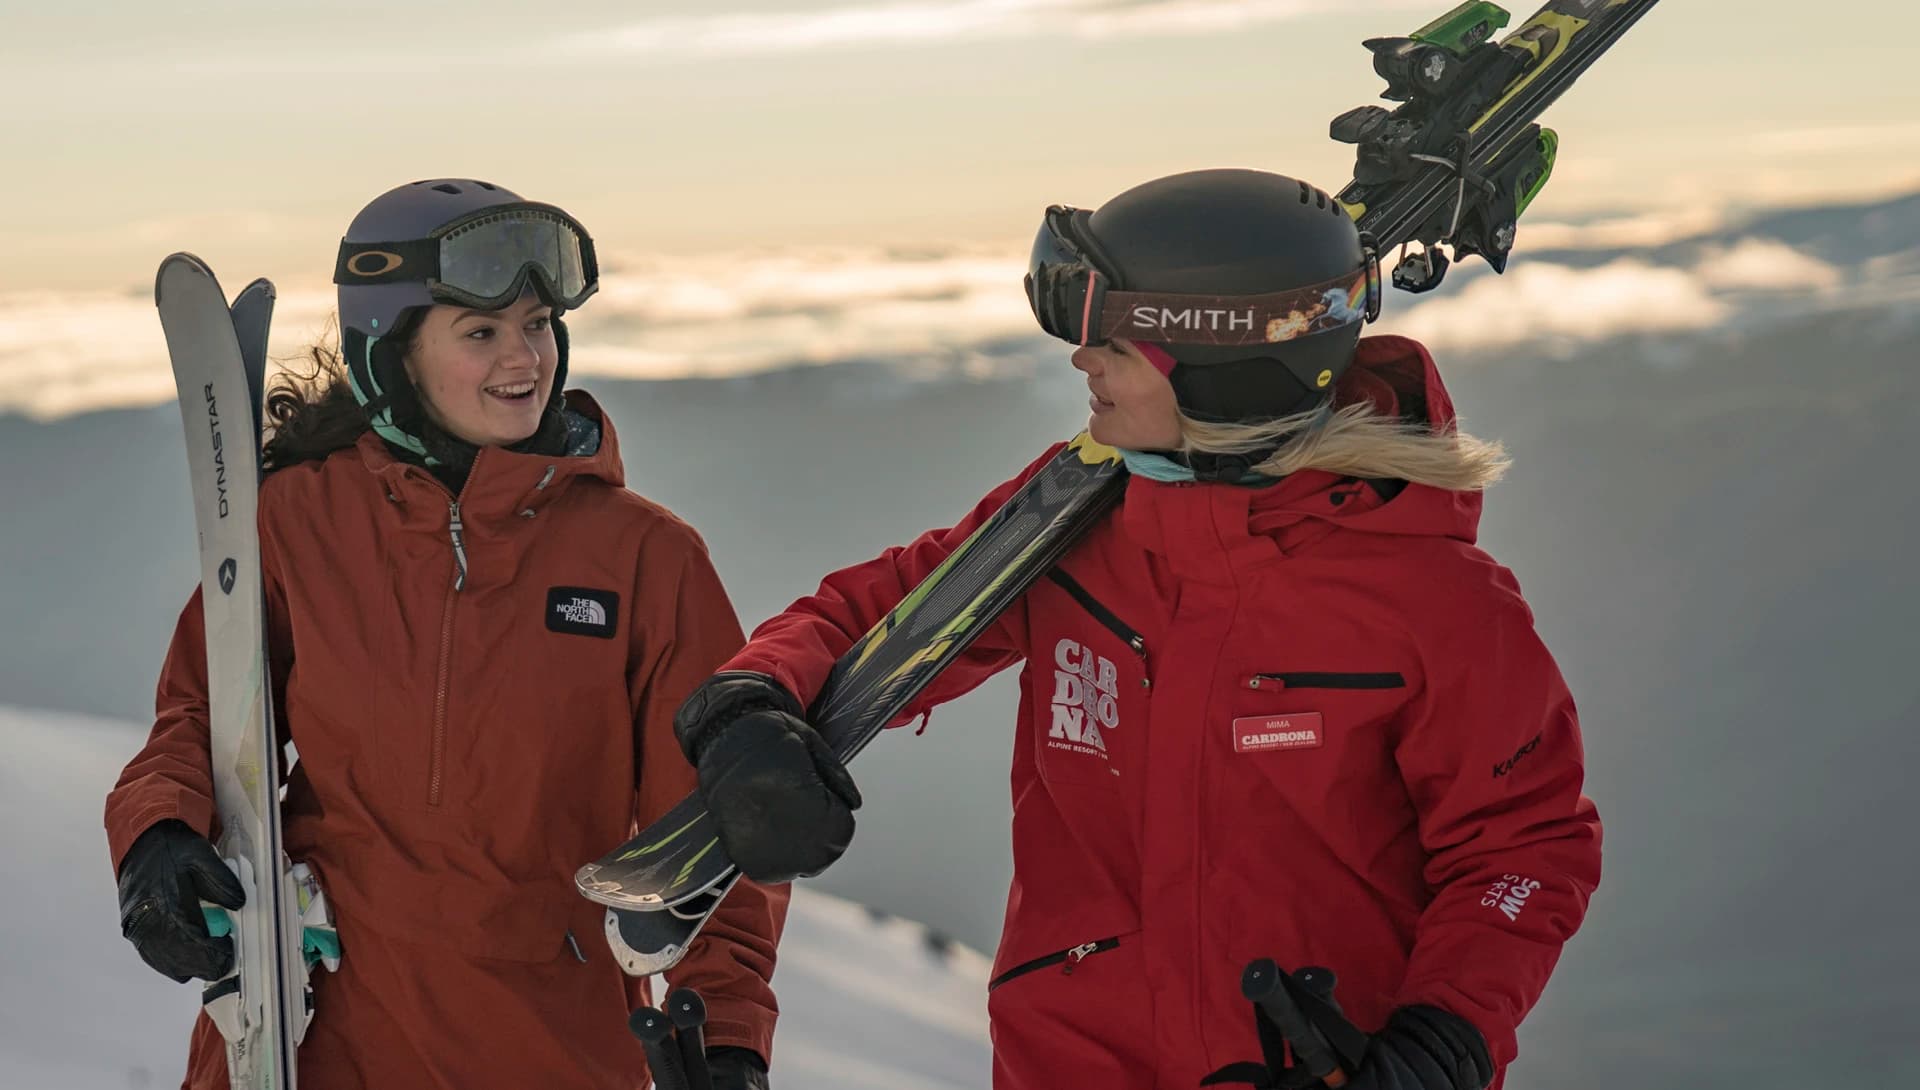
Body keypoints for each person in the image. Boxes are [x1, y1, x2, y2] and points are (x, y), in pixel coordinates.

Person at [672, 168, 1603, 1090]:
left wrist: (1445, 1037)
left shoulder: (1433, 601)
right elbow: (887, 609)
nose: (1082, 363)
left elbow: (1521, 848)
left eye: (1113, 344)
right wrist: (753, 698)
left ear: (1219, 374)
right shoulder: (1077, 515)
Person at [105, 179, 784, 1090]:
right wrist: (156, 834)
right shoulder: (300, 524)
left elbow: (715, 831)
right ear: (393, 358)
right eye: (480, 332)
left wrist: (728, 1036)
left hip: (549, 1048)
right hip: (315, 1033)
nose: (524, 358)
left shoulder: (646, 560)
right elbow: (198, 712)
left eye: (538, 323)